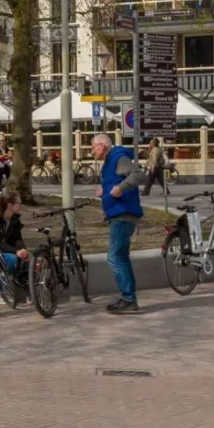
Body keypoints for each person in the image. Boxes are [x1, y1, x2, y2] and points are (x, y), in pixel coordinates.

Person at [91, 133, 144, 314]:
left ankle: (129, 298)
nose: (92, 151)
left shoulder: (118, 158)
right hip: (117, 215)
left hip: (123, 215)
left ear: (103, 145)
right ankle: (129, 298)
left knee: (114, 257)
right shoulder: (108, 163)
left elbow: (137, 175)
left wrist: (120, 189)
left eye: (93, 147)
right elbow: (114, 184)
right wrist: (104, 190)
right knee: (121, 256)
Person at [0, 190, 30, 303]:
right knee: (10, 259)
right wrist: (16, 252)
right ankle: (1, 293)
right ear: (10, 205)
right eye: (18, 203)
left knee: (27, 260)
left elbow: (18, 239)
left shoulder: (15, 220)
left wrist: (23, 250)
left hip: (9, 250)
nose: (21, 205)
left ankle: (28, 292)